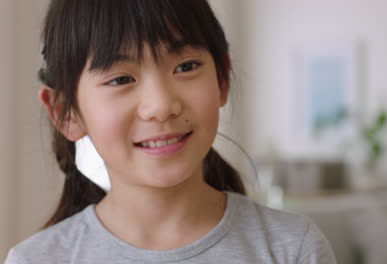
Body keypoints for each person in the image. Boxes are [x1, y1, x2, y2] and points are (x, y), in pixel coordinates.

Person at [5, 0, 336, 263]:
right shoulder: (36, 260)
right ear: (64, 111)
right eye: (121, 79)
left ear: (222, 78)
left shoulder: (293, 248)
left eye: (186, 66)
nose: (162, 105)